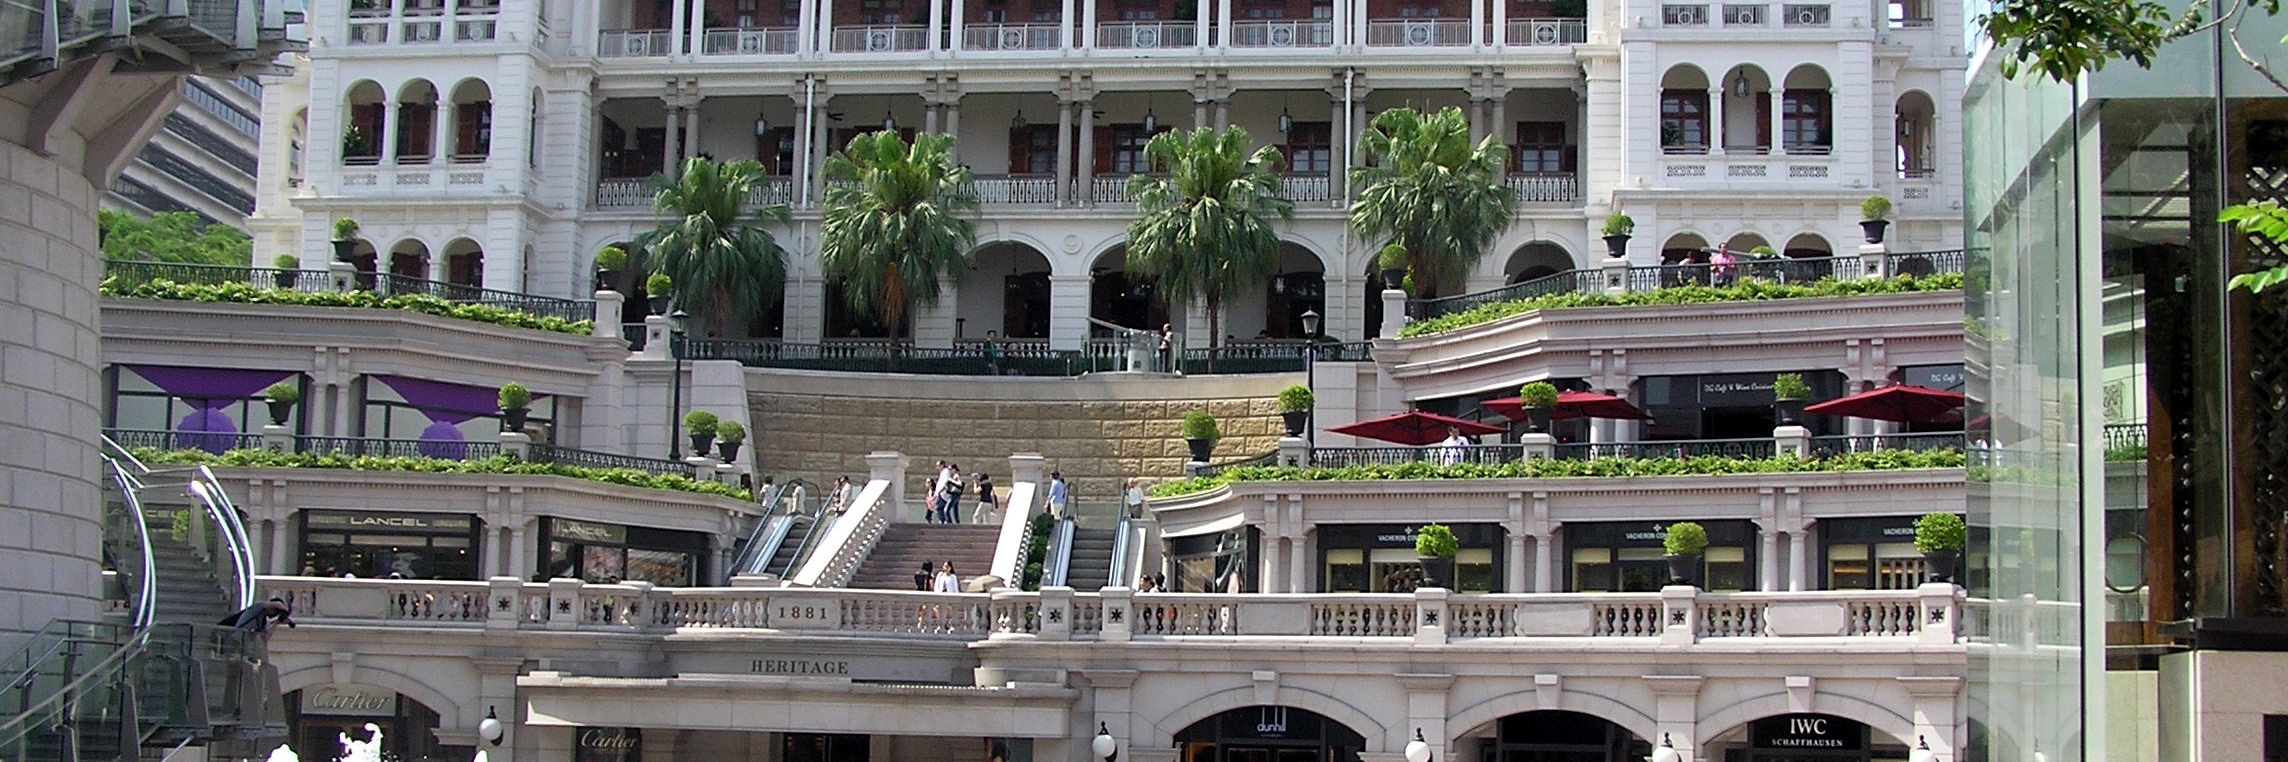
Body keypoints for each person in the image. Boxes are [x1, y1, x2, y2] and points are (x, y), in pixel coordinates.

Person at [221, 598, 297, 640]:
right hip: (235, 638)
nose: (275, 614)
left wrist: (277, 622)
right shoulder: (256, 609)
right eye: (275, 611)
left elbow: (265, 638)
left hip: (243, 644)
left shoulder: (263, 621)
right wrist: (284, 610)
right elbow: (276, 604)